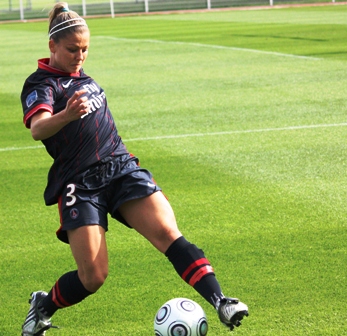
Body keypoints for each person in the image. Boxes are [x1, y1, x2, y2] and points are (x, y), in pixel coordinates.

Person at [20, 3, 248, 335]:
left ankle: (221, 301)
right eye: (72, 49)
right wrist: (66, 115)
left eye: (85, 49)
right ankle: (43, 306)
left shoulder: (85, 79)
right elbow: (38, 129)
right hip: (80, 184)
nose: (79, 56)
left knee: (168, 233)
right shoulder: (40, 85)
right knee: (93, 276)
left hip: (120, 168)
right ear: (52, 46)